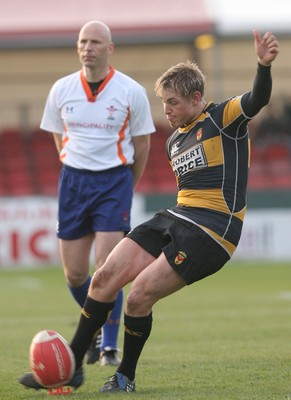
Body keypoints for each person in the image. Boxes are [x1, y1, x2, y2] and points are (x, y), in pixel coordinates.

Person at [19, 30, 279, 392]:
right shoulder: (173, 140)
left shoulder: (223, 118)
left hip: (213, 230)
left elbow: (257, 98)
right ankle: (72, 368)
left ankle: (124, 376)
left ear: (197, 98)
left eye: (172, 103)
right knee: (103, 277)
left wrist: (262, 66)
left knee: (140, 294)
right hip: (178, 215)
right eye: (163, 103)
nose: (166, 111)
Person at [39, 20, 155, 366]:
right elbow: (58, 136)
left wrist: (125, 185)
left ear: (109, 48)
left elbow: (143, 144)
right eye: (82, 41)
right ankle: (91, 333)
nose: (87, 47)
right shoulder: (61, 89)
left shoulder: (130, 91)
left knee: (107, 268)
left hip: (113, 182)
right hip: (73, 182)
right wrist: (73, 162)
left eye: (95, 42)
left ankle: (107, 346)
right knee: (75, 274)